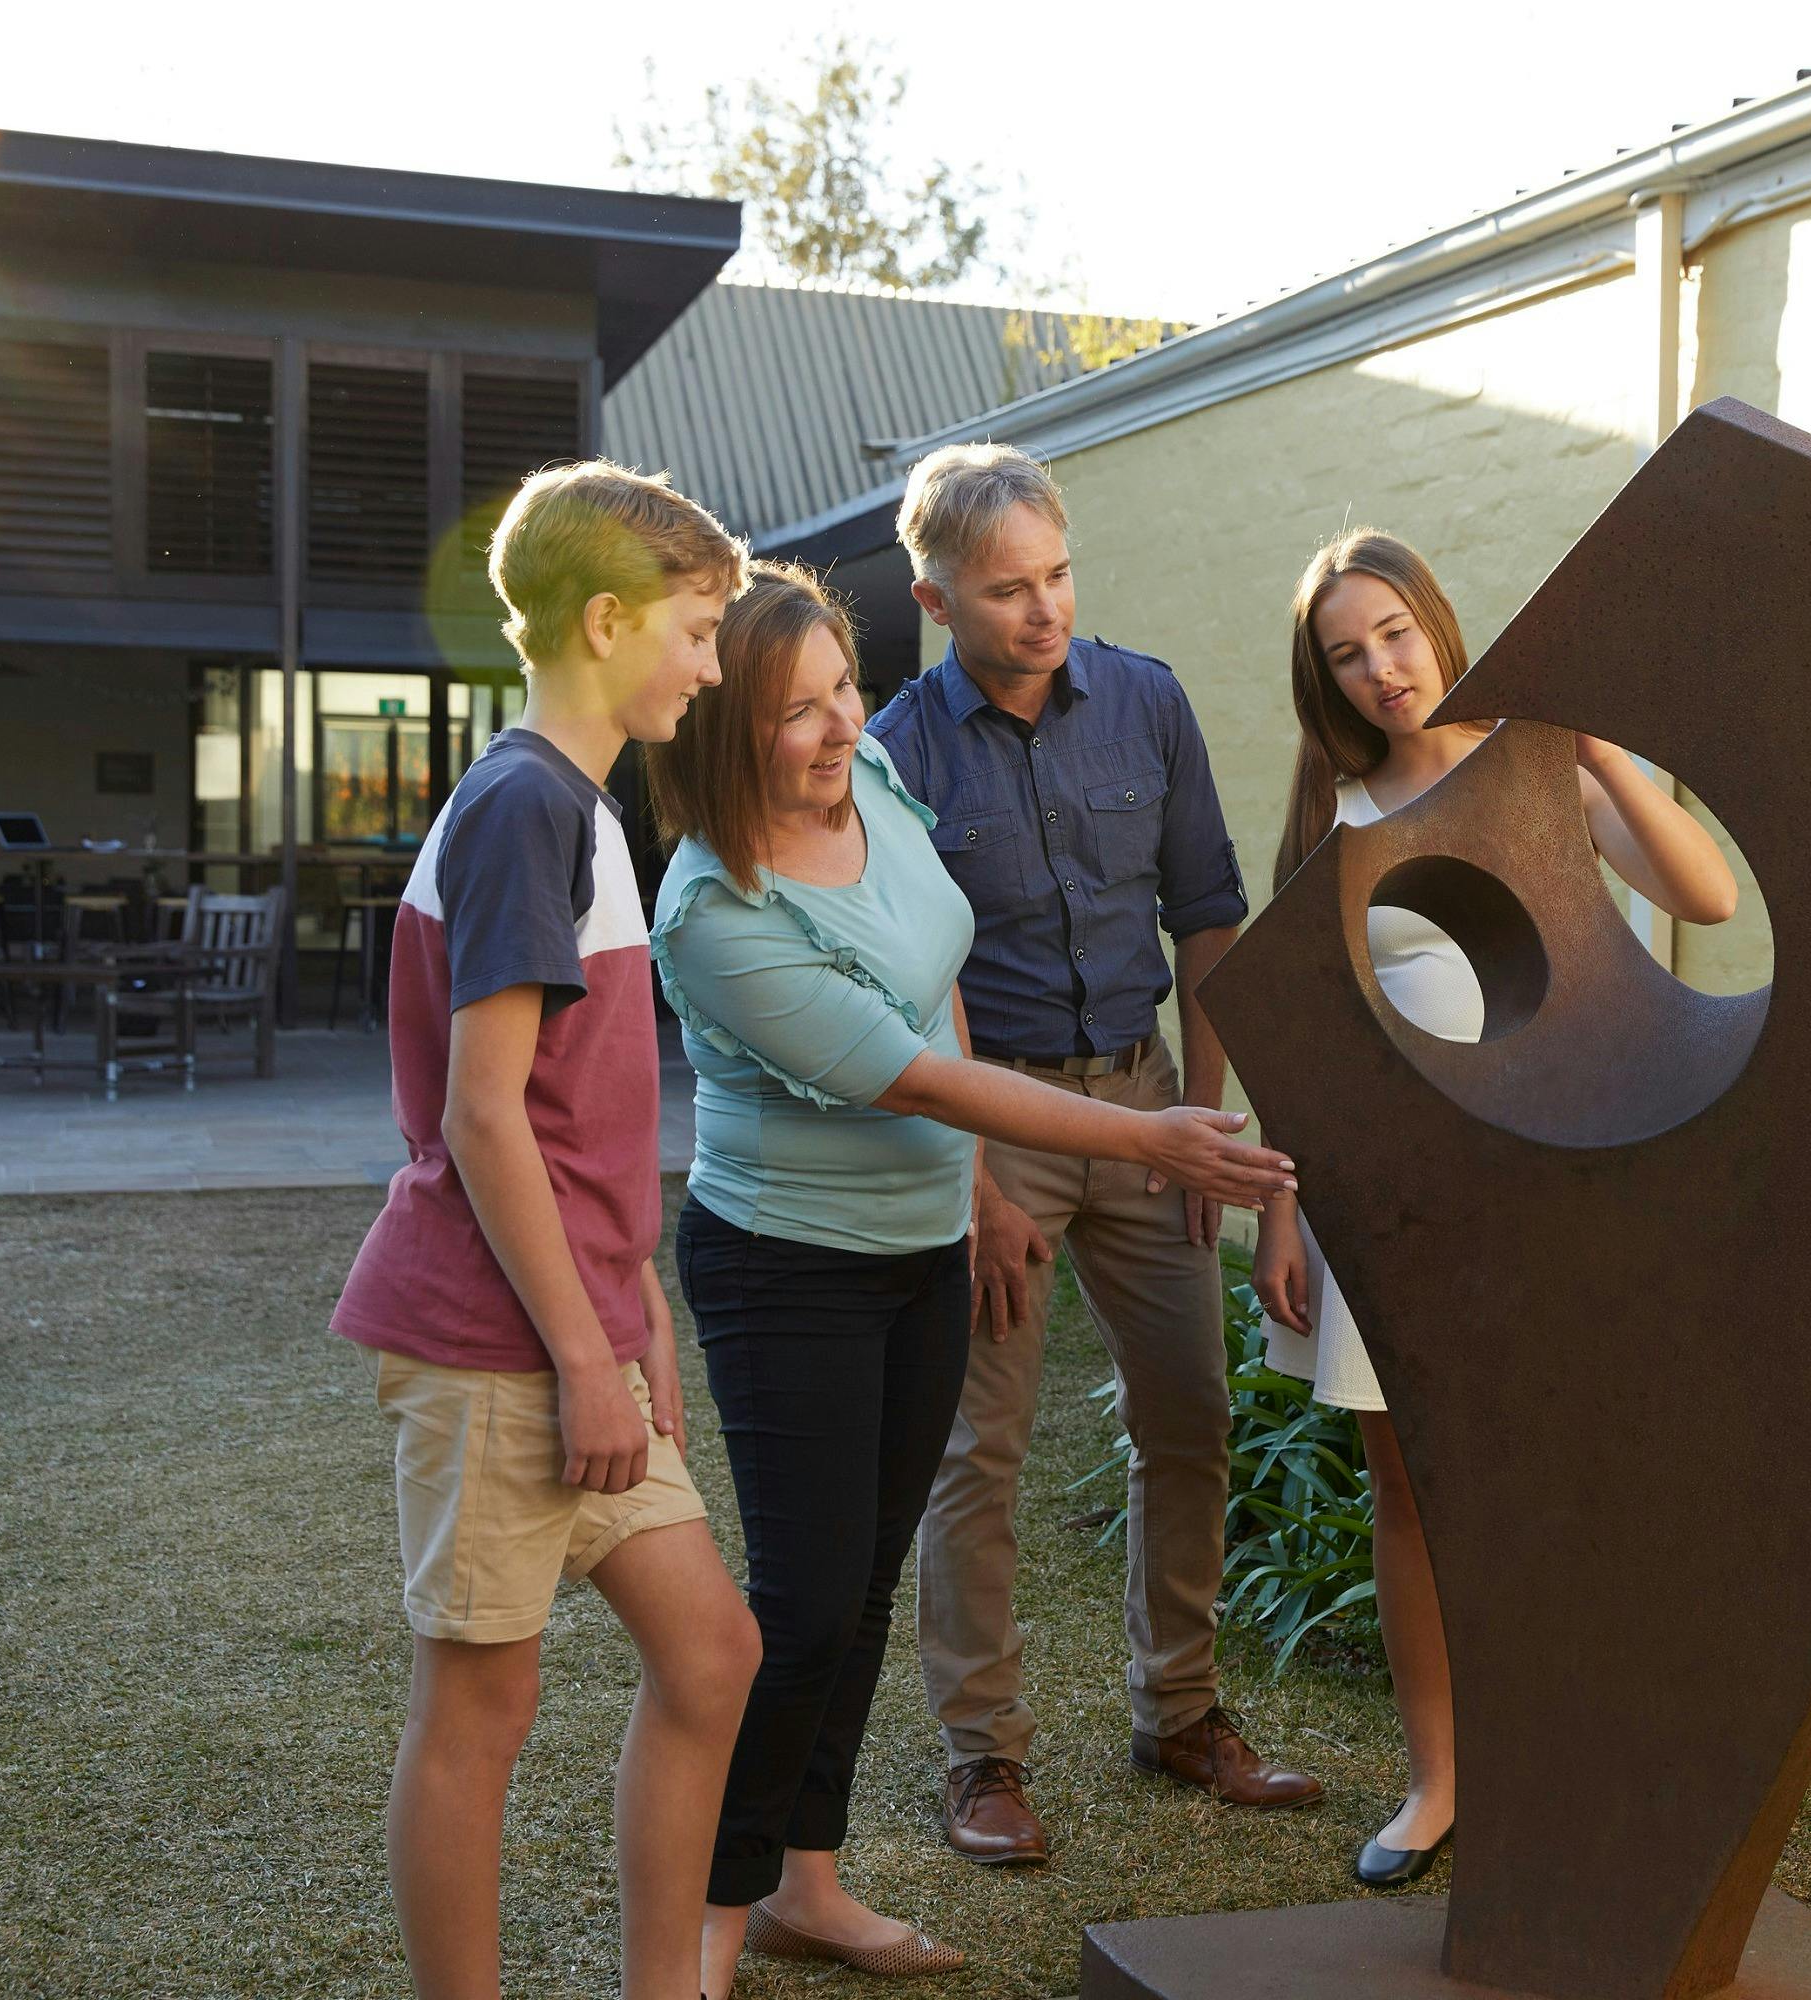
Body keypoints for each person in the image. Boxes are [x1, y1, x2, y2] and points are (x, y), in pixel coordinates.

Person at [649, 563, 1296, 1990]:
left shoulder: (873, 776)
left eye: (843, 690)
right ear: (719, 734)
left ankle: (803, 1887)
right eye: (794, 712)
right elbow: (924, 1082)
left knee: (867, 1585)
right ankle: (707, 1921)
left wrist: (978, 1198)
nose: (838, 727)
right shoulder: (712, 914)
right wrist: (1145, 1138)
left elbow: (936, 951)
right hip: (787, 1272)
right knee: (806, 1601)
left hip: (915, 1256)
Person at [330, 460, 761, 2000]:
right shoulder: (528, 807)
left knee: (713, 1655)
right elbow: (483, 1113)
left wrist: (636, 1307)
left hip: (587, 1333)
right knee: (481, 1710)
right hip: (500, 1346)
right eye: (700, 630)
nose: (712, 666)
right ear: (605, 618)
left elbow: (580, 1118)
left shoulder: (574, 809)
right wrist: (585, 1352)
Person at [1251, 529, 1739, 1886]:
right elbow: (1311, 1033)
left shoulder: (1537, 763)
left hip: (1559, 1167)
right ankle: (1438, 1783)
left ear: (1438, 624)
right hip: (1394, 1194)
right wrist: (1284, 1212)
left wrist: (1598, 754)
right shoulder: (1332, 808)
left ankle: (1584, 1762)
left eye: (1394, 634)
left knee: (1576, 1467)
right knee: (1407, 1486)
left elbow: (1703, 895)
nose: (1380, 672)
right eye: (1346, 656)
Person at [867, 443, 1325, 1866]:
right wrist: (977, 1178)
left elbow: (1207, 913)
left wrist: (1206, 1117)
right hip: (996, 1118)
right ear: (937, 600)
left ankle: (1178, 1712)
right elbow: (906, 974)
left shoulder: (1147, 702)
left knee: (1189, 1415)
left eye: (1058, 574)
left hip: (1147, 1107)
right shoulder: (895, 749)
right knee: (977, 1451)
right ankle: (981, 1760)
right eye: (1008, 590)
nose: (1045, 609)